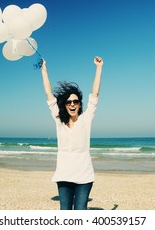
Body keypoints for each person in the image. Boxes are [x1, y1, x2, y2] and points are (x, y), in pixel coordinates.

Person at [41, 56, 104, 210]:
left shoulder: (86, 119)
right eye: (69, 102)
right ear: (65, 105)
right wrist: (44, 70)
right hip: (63, 175)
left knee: (81, 211)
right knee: (65, 212)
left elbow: (95, 94)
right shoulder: (59, 119)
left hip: (84, 176)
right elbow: (49, 95)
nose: (72, 104)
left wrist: (99, 67)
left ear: (79, 104)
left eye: (75, 101)